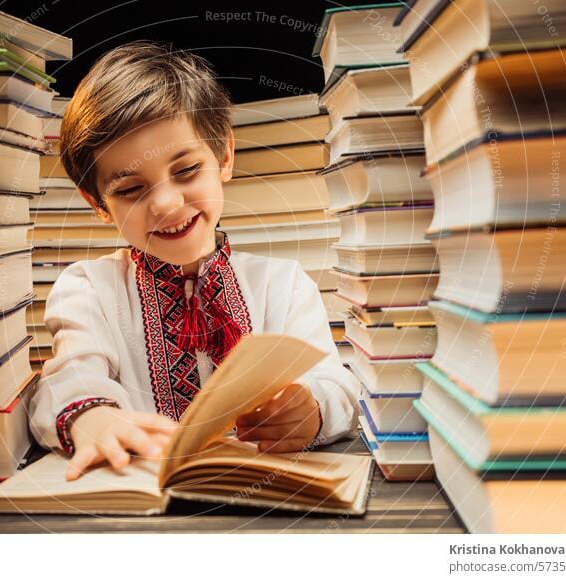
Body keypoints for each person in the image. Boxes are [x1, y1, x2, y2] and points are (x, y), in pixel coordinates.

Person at [28, 41, 360, 480]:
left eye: (185, 171)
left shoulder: (283, 284)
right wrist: (92, 419)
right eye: (129, 190)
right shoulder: (88, 288)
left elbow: (336, 383)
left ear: (223, 156)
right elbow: (69, 377)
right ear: (98, 203)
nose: (166, 204)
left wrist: (310, 408)